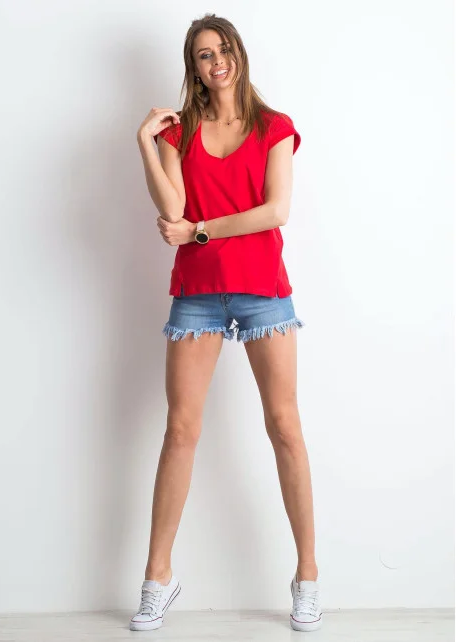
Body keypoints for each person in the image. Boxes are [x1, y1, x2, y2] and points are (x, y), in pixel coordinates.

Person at [132, 13, 321, 633]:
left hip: (264, 290)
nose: (216, 61)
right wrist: (145, 143)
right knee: (180, 431)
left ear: (238, 54)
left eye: (223, 49)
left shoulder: (273, 127)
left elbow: (275, 211)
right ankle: (157, 579)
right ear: (194, 67)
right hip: (198, 295)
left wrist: (201, 231)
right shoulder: (179, 131)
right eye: (203, 54)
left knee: (285, 427)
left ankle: (307, 577)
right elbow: (173, 209)